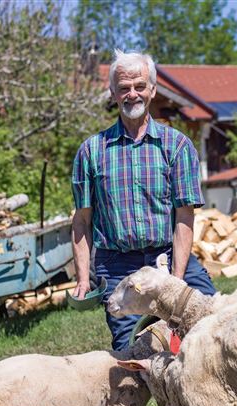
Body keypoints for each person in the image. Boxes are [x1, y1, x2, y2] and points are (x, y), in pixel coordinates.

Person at [71, 49, 216, 352]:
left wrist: (174, 282)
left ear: (152, 89)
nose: (132, 94)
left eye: (139, 86)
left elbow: (184, 218)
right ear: (113, 92)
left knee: (211, 326)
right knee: (131, 353)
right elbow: (81, 221)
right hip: (118, 264)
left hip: (168, 254)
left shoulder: (176, 145)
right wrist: (83, 278)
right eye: (124, 87)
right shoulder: (91, 151)